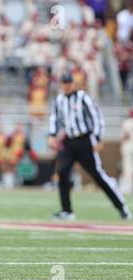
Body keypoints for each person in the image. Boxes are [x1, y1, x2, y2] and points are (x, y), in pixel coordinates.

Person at [48, 73, 131, 220]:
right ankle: (67, 210)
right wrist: (52, 135)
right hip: (68, 141)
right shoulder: (59, 100)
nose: (66, 86)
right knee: (62, 172)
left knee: (98, 176)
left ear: (72, 83)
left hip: (84, 141)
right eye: (64, 83)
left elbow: (96, 117)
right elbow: (55, 118)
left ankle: (122, 207)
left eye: (68, 83)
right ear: (61, 84)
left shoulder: (83, 97)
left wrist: (97, 138)